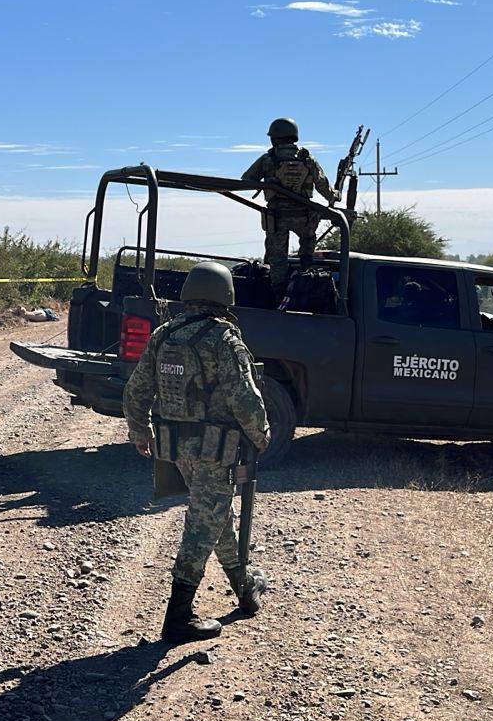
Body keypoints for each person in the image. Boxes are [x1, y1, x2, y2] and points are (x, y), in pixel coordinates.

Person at [122, 262, 271, 643]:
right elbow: (246, 399)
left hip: (175, 447)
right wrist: (261, 434)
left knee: (214, 514)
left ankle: (243, 583)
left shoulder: (164, 334)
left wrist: (140, 430)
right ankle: (178, 616)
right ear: (226, 296)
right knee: (202, 525)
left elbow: (137, 390)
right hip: (215, 450)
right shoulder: (224, 340)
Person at [241, 117, 336, 293]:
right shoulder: (307, 159)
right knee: (307, 246)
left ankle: (279, 297)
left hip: (277, 218)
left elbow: (246, 181)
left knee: (277, 260)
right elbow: (322, 185)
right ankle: (306, 280)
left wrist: (269, 182)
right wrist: (333, 196)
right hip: (304, 217)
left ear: (274, 138)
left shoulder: (268, 159)